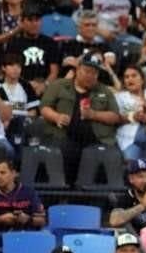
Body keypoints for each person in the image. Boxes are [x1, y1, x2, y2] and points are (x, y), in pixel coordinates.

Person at [40, 52, 122, 185]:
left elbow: (115, 117)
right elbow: (44, 107)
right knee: (64, 151)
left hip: (96, 139)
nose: (90, 76)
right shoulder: (59, 85)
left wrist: (93, 115)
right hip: (63, 136)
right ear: (78, 69)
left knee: (103, 156)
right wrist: (57, 117)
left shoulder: (105, 91)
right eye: (87, 71)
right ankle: (63, 193)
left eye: (94, 73)